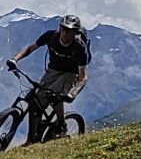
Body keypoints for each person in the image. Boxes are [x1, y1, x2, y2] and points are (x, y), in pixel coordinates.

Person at [7, 14, 91, 143]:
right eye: (63, 28)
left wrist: (72, 94)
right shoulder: (51, 36)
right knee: (36, 104)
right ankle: (31, 140)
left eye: (69, 30)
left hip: (71, 73)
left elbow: (83, 77)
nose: (65, 33)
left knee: (53, 95)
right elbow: (30, 48)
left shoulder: (79, 47)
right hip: (53, 70)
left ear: (75, 32)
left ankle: (61, 123)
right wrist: (14, 60)